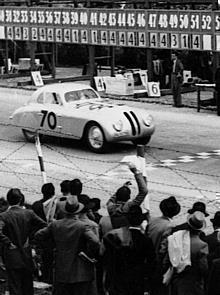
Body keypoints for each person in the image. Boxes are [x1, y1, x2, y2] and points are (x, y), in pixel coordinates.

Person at [35, 196, 100, 295]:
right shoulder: (82, 226)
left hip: (61, 266)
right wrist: (88, 253)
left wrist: (52, 244)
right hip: (79, 269)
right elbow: (95, 241)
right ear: (78, 211)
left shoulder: (55, 224)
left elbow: (38, 235)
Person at [0, 188, 46, 295]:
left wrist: (8, 242)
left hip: (11, 255)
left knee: (14, 285)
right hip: (27, 253)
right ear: (21, 199)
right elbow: (44, 226)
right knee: (27, 285)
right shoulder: (29, 213)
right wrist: (34, 240)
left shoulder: (4, 216)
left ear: (8, 200)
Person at [102, 205, 156, 295]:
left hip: (118, 278)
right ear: (141, 220)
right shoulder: (145, 240)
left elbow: (107, 259)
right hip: (137, 280)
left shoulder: (114, 236)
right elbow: (151, 263)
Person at [162, 211, 208, 295]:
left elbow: (166, 261)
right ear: (200, 229)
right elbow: (203, 268)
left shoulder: (175, 238)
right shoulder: (202, 245)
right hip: (193, 284)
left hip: (175, 282)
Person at [106, 163, 148, 229]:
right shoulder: (129, 207)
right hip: (126, 233)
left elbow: (113, 198)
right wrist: (136, 173)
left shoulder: (110, 206)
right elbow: (144, 191)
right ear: (128, 197)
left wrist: (123, 187)